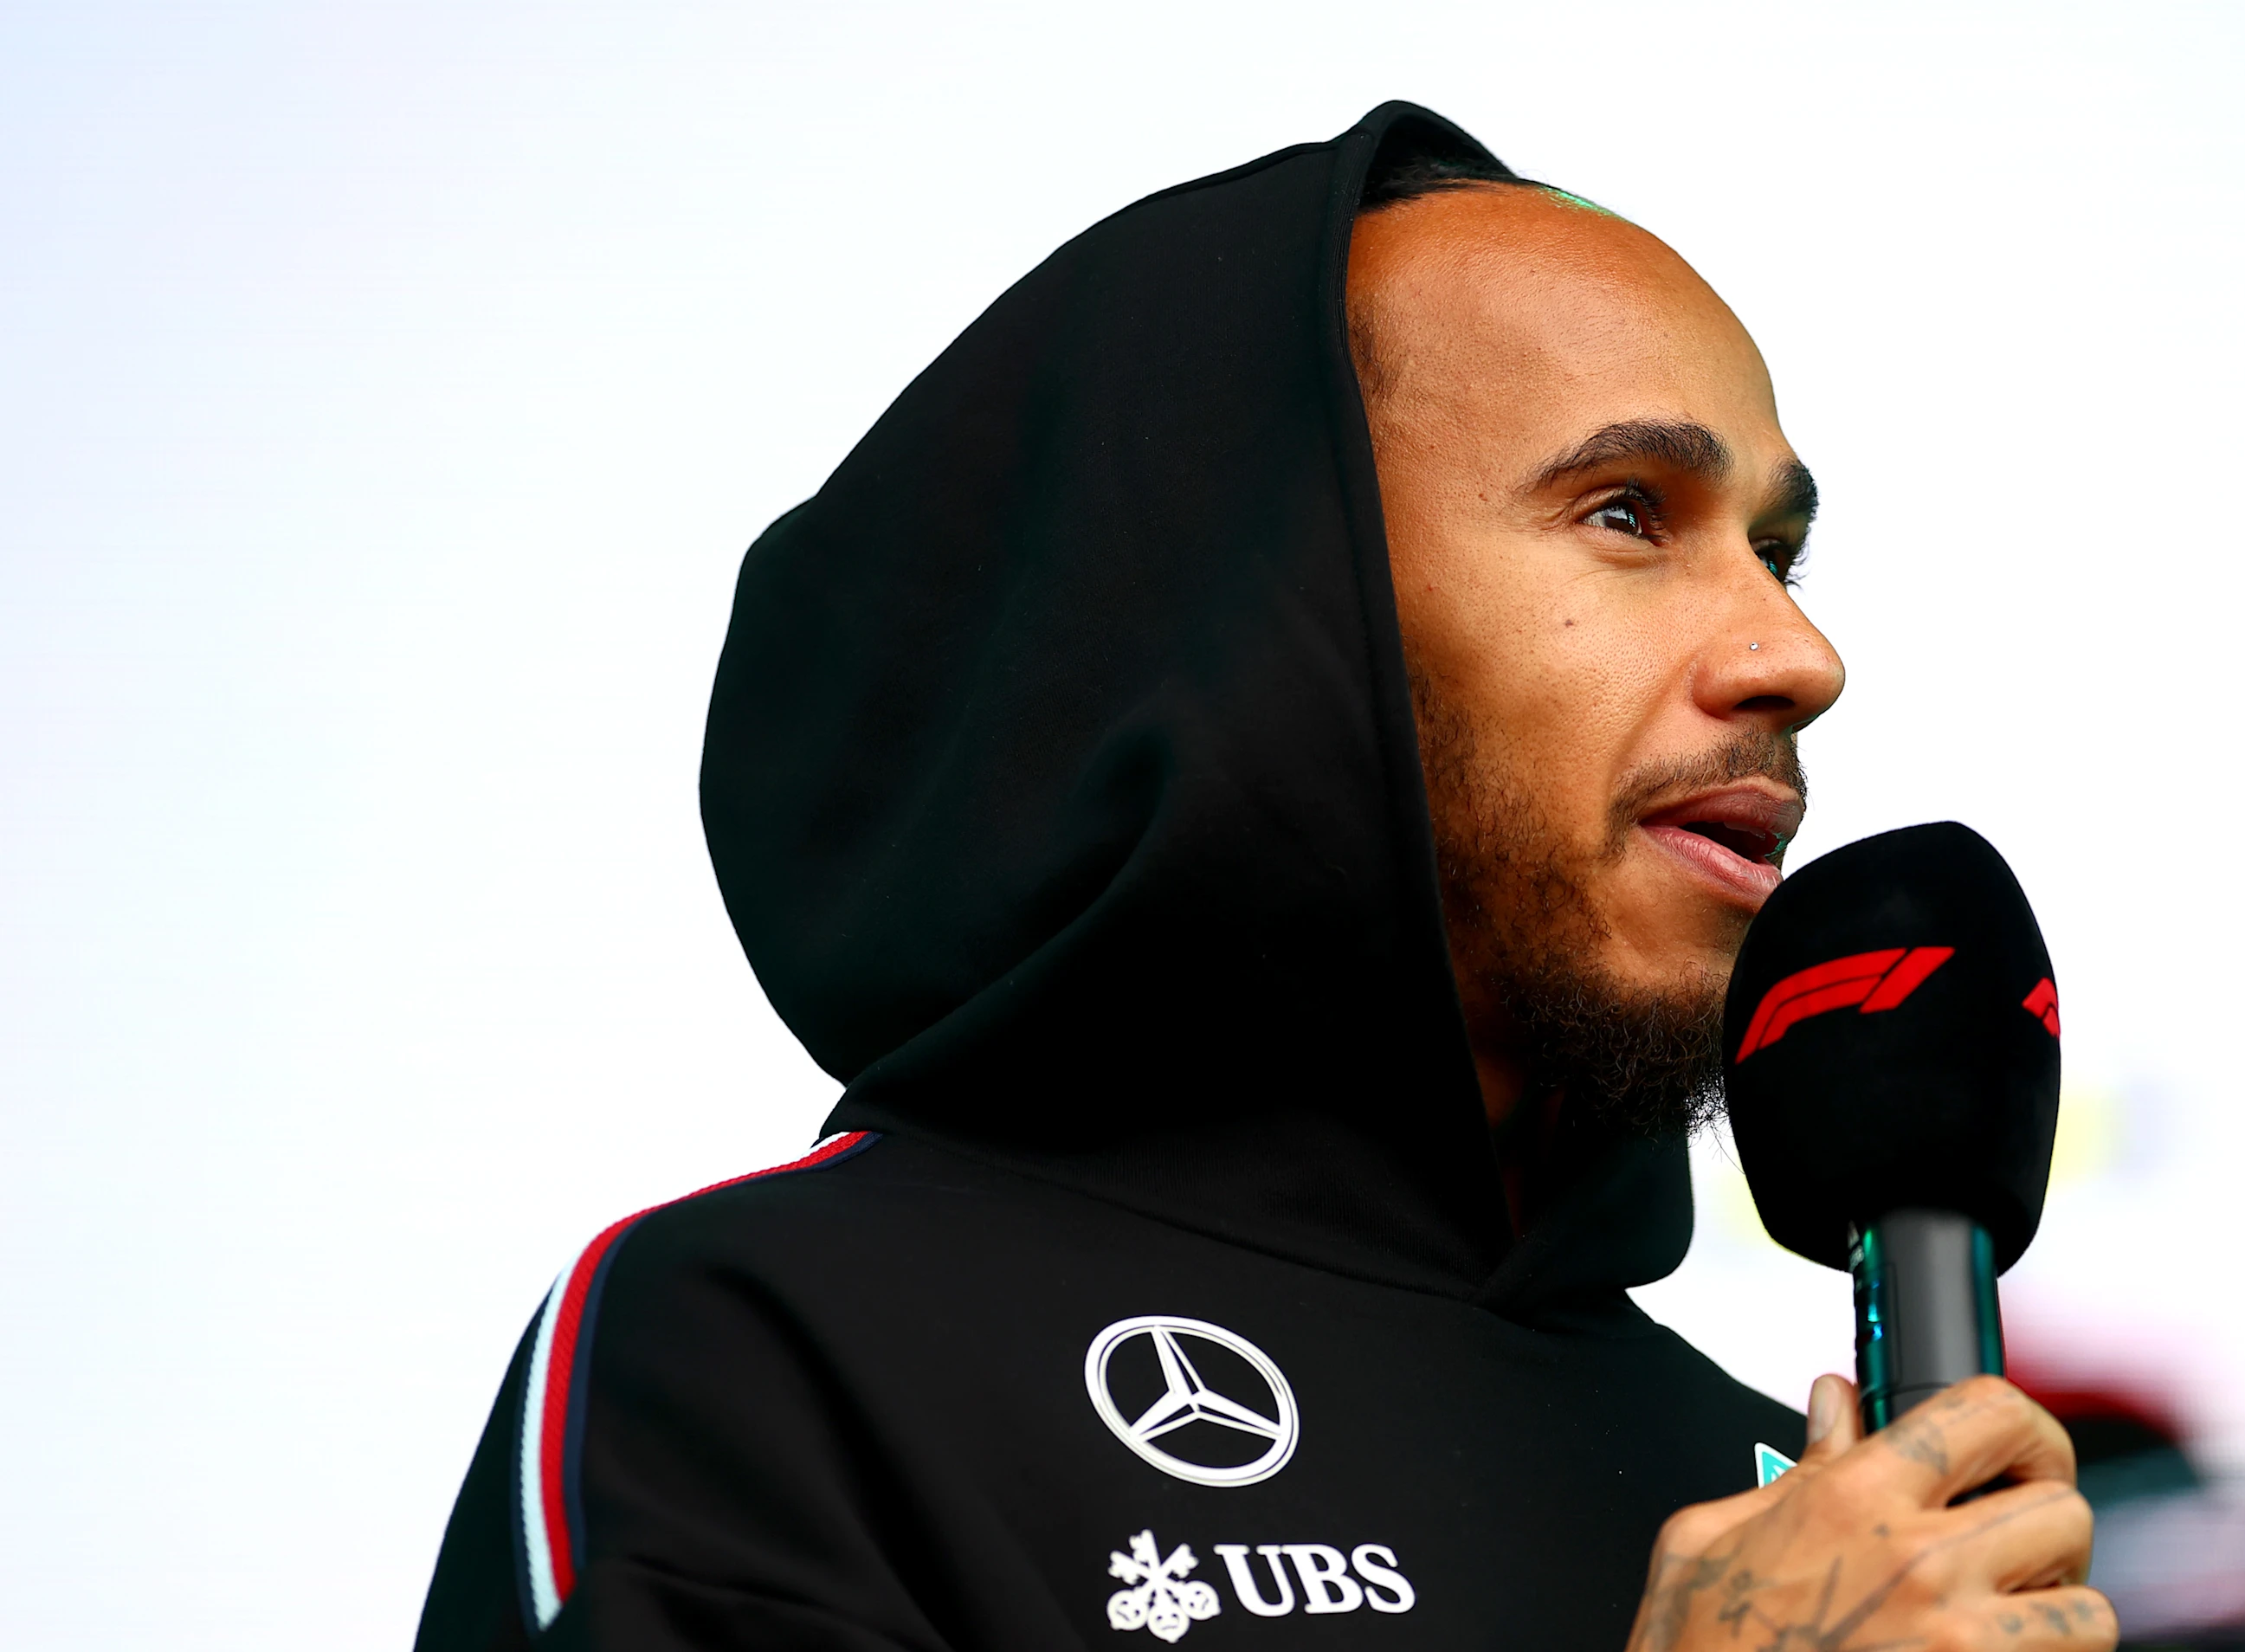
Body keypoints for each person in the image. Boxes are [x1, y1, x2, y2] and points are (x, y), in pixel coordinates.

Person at [414, 101, 2112, 1652]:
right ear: (1268, 624)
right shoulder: (776, 1350)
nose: (1794, 651)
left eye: (1776, 549)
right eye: (1622, 513)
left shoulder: (1776, 1502)